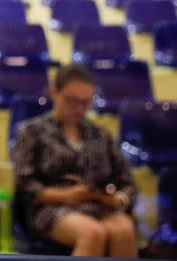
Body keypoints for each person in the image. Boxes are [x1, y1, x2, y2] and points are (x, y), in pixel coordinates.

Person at [13, 64, 138, 258]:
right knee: (92, 233)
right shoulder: (32, 132)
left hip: (99, 206)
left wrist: (117, 199)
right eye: (72, 101)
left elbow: (127, 182)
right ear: (55, 92)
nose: (79, 108)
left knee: (124, 230)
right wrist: (65, 195)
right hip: (50, 206)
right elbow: (25, 184)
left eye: (85, 102)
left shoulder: (100, 134)